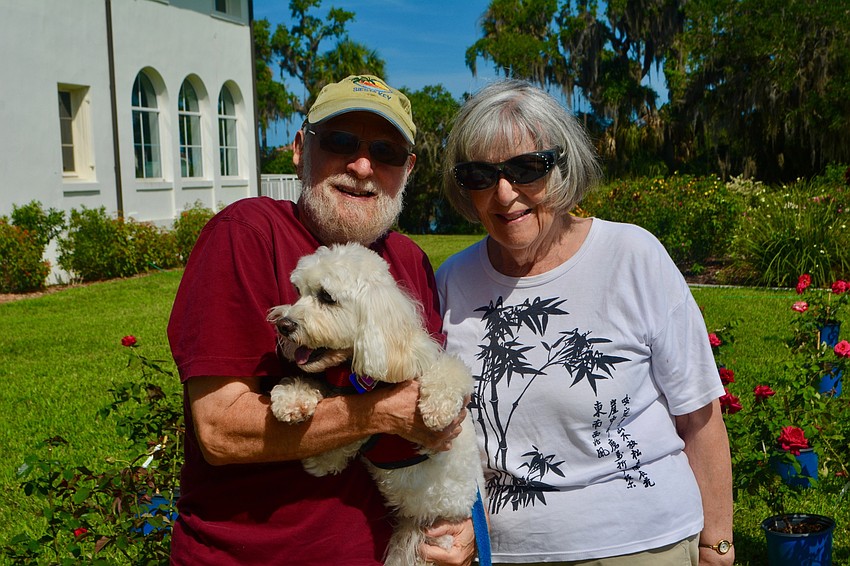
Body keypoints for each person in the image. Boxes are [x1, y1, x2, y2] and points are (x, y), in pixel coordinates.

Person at [167, 74, 475, 565]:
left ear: (408, 168)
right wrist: (375, 413)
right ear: (298, 148)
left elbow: (435, 418)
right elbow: (219, 430)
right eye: (340, 141)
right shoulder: (246, 234)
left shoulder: (410, 261)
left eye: (386, 152)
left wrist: (460, 529)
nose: (362, 166)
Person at [436, 80, 734, 566]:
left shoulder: (631, 255)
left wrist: (717, 544)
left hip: (642, 545)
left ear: (563, 166)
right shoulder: (452, 281)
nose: (505, 193)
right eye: (480, 175)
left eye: (526, 168)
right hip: (504, 551)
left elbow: (698, 413)